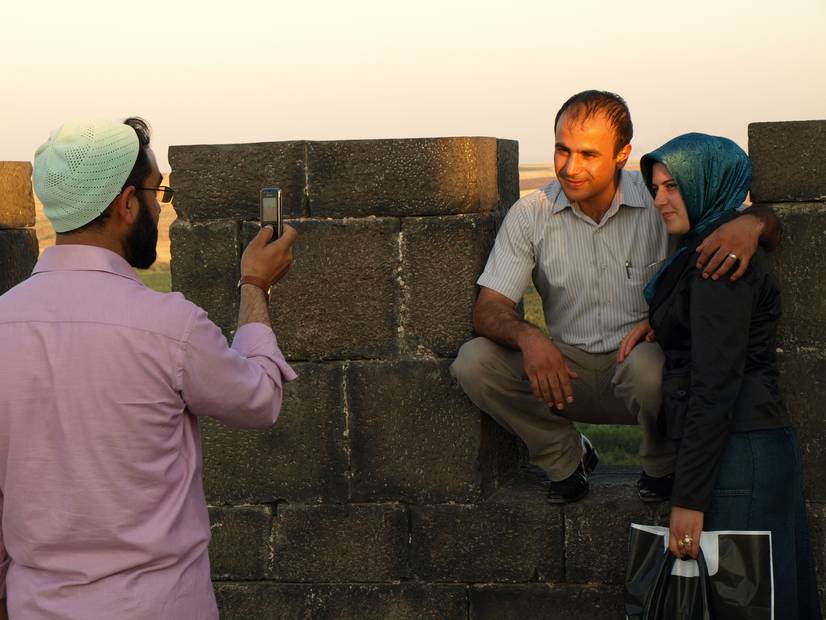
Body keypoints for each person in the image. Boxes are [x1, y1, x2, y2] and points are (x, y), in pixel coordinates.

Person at [0, 118, 298, 619]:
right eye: (158, 193)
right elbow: (260, 400)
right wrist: (255, 286)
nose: (162, 208)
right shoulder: (168, 326)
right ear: (126, 204)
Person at [450, 90, 781, 504]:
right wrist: (530, 338)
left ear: (622, 154)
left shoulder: (659, 202)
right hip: (564, 372)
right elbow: (488, 310)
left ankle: (661, 467)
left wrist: (754, 225)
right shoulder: (530, 213)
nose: (570, 168)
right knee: (474, 362)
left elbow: (735, 217)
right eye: (561, 150)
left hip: (644, 368)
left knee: (649, 367)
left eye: (588, 154)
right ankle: (565, 460)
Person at [637, 133, 821, 618]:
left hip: (738, 457)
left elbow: (714, 387)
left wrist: (688, 502)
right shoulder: (711, 247)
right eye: (656, 187)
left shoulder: (719, 262)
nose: (659, 199)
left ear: (706, 184)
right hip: (749, 449)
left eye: (673, 186)